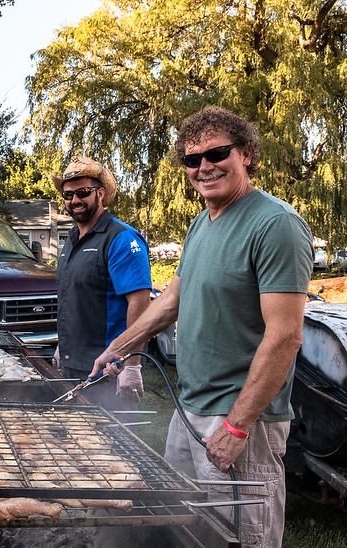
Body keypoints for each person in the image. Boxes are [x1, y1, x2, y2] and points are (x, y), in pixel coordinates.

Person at [92, 106, 314, 547]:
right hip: (189, 408)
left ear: (246, 153)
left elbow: (285, 336)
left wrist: (237, 426)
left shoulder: (276, 224)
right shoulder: (201, 223)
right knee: (187, 531)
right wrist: (120, 346)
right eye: (192, 160)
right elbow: (172, 299)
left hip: (238, 418)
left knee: (240, 538)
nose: (204, 167)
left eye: (217, 153)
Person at [50, 156, 152, 410]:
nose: (74, 200)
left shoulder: (120, 238)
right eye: (68, 194)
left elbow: (140, 304)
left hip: (109, 370)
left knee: (113, 444)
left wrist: (132, 364)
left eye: (83, 192)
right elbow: (73, 296)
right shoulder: (72, 238)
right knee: (76, 442)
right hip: (74, 364)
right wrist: (63, 346)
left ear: (101, 194)